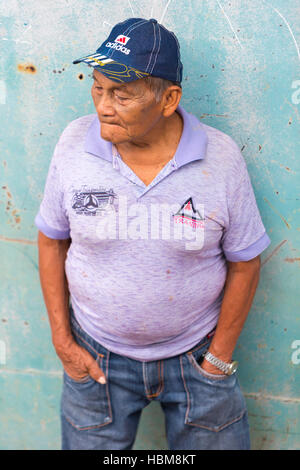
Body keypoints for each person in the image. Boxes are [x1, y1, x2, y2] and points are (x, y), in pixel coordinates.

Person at [35, 17, 271, 450]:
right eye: (99, 87)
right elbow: (52, 240)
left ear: (169, 99)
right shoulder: (73, 145)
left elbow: (245, 263)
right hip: (95, 356)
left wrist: (216, 361)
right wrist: (63, 342)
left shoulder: (220, 159)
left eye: (122, 94)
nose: (103, 105)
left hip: (197, 360)